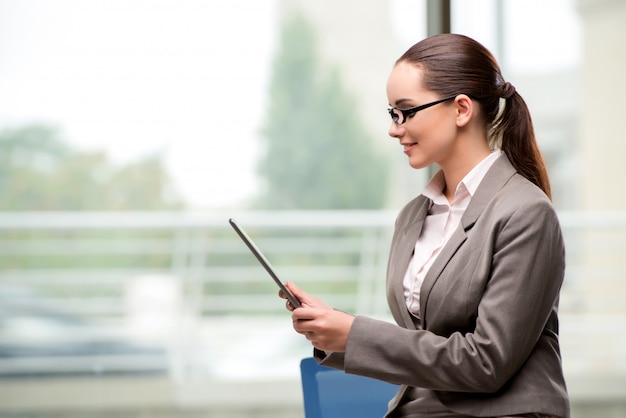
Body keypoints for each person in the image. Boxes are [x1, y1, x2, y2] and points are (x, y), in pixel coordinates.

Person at [280, 33, 569, 418]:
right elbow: (421, 343)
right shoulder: (414, 215)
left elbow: (487, 362)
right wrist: (333, 331)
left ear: (461, 109)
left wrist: (354, 334)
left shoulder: (526, 212)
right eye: (391, 113)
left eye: (407, 111)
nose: (394, 128)